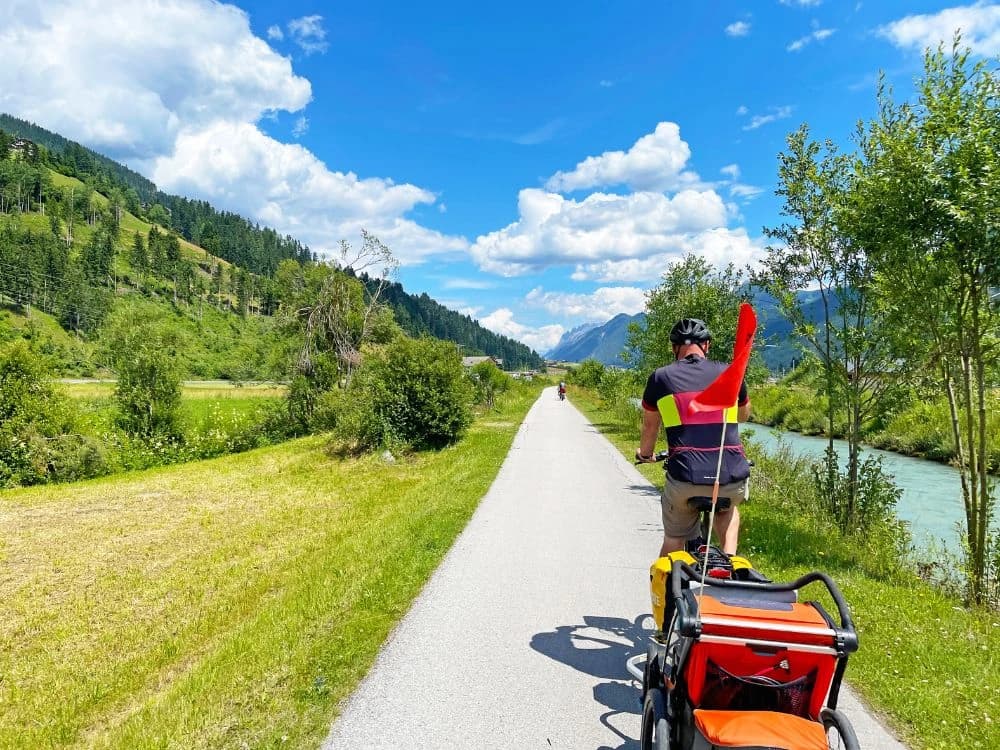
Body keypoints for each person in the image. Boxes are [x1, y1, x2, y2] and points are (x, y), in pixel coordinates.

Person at [635, 318, 751, 557]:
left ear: (674, 347)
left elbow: (650, 425)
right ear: (706, 345)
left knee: (674, 538)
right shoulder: (730, 372)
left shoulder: (661, 377)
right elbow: (743, 416)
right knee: (727, 509)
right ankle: (728, 562)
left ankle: (667, 588)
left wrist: (645, 454)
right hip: (729, 477)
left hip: (685, 479)